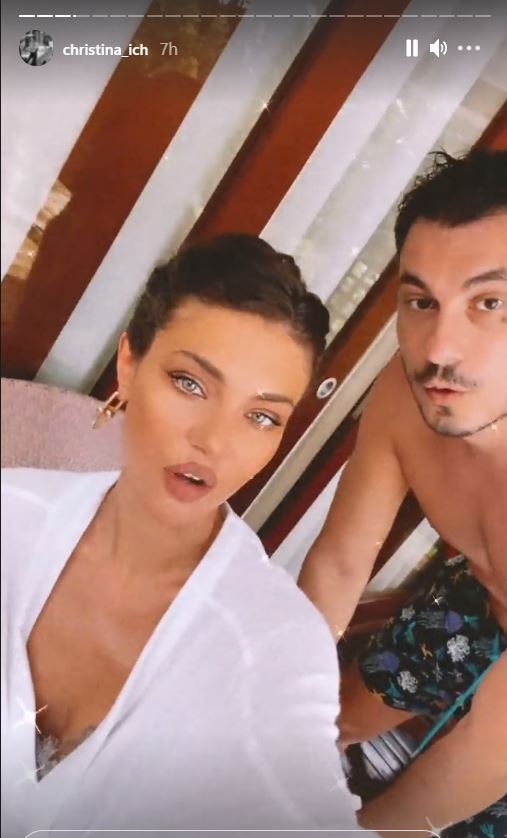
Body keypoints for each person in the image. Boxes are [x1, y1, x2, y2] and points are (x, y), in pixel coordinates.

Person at [1, 234, 374, 838]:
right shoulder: (11, 511)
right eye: (191, 384)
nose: (214, 441)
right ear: (129, 363)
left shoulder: (276, 647)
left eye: (261, 416)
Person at [299, 149, 507, 837]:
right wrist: (279, 706)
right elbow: (339, 562)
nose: (438, 348)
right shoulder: (403, 392)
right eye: (421, 302)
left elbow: (490, 749)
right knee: (329, 714)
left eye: (489, 303)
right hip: (479, 594)